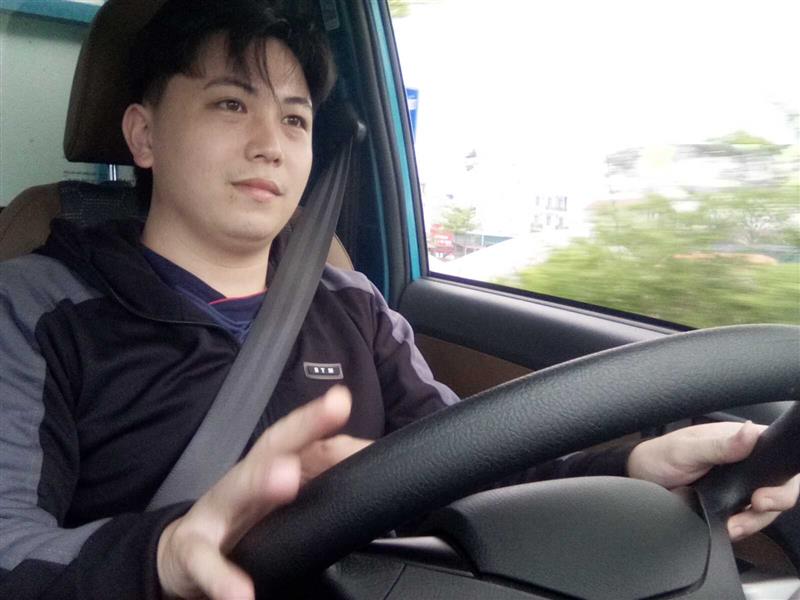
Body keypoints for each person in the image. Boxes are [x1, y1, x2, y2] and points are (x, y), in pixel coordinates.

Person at [0, 1, 796, 599]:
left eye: (295, 118)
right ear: (143, 134)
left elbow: (465, 458)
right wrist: (167, 555)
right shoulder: (36, 308)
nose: (270, 144)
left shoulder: (354, 305)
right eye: (231, 104)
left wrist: (632, 466)